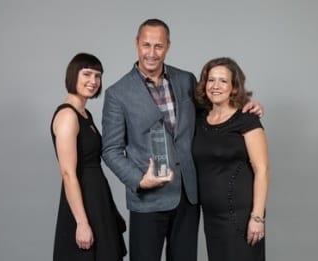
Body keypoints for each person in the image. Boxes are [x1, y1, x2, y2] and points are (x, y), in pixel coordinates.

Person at [102, 19, 263, 261]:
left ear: (168, 46)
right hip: (148, 200)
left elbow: (215, 109)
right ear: (136, 44)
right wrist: (139, 180)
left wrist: (245, 106)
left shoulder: (186, 80)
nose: (152, 53)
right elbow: (111, 150)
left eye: (158, 46)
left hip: (188, 198)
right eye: (146, 45)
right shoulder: (117, 93)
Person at [50, 53, 126, 261]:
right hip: (83, 201)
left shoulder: (84, 114)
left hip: (97, 198)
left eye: (98, 76)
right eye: (87, 74)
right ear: (73, 75)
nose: (93, 81)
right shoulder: (68, 116)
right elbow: (67, 173)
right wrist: (82, 223)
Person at [192, 57, 270, 261]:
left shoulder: (247, 119)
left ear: (234, 87)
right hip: (211, 217)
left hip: (241, 218)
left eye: (223, 81)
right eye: (211, 80)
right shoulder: (199, 119)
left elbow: (262, 170)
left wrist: (258, 217)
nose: (215, 86)